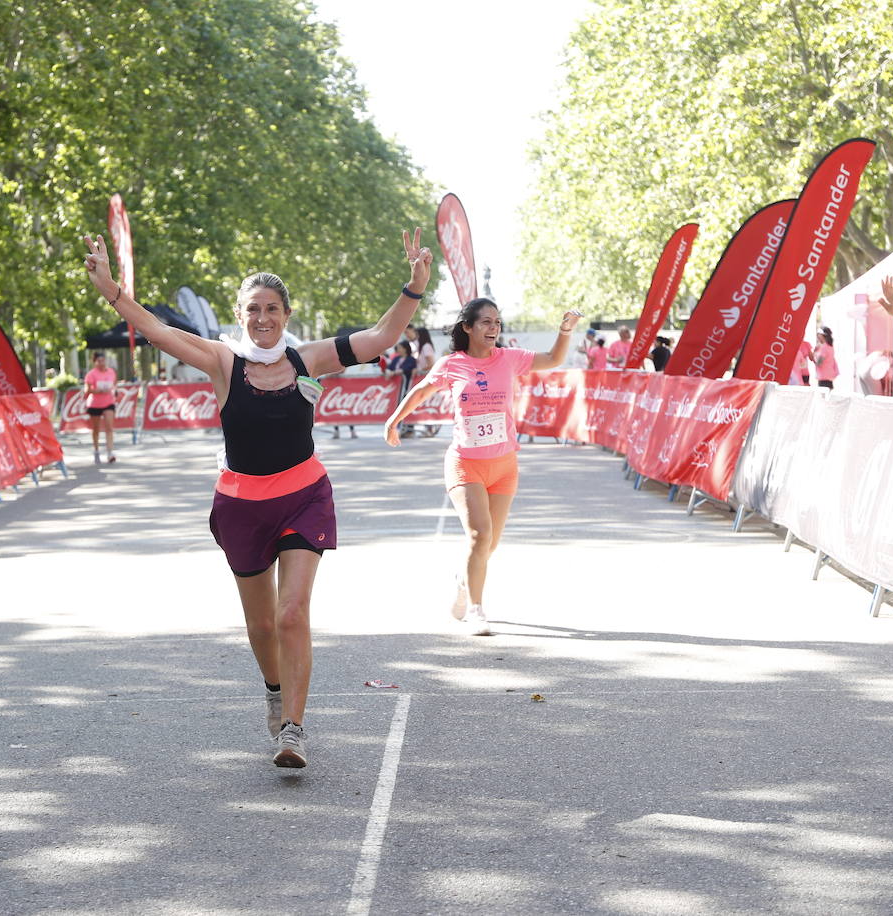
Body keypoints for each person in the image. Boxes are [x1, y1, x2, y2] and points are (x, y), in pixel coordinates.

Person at [83, 227, 433, 768]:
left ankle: (292, 729)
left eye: (272, 308)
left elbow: (380, 337)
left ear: (287, 314)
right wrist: (111, 289)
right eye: (253, 309)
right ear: (241, 314)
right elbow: (153, 327)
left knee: (292, 613)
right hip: (241, 506)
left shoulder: (308, 359)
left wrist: (413, 288)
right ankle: (274, 689)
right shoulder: (222, 361)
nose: (263, 318)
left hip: (304, 496)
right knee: (262, 625)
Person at [382, 299, 582, 635]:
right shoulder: (451, 364)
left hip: (504, 465)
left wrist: (564, 331)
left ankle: (464, 581)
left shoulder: (509, 359)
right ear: (468, 327)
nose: (493, 329)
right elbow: (419, 391)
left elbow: (554, 359)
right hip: (466, 464)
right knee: (479, 535)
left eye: (497, 323)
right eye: (486, 322)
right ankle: (476, 609)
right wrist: (394, 420)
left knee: (490, 545)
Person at [83, 352, 117, 463]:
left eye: (103, 360)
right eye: (99, 361)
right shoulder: (91, 374)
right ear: (95, 362)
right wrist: (96, 390)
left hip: (109, 402)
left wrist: (113, 390)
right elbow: (87, 390)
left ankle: (110, 452)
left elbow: (114, 384)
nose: (102, 363)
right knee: (96, 429)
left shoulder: (111, 372)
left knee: (109, 427)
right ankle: (96, 449)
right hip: (95, 403)